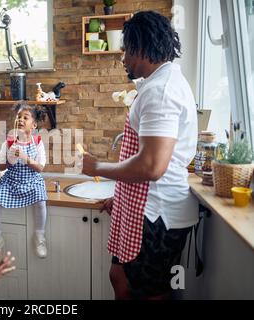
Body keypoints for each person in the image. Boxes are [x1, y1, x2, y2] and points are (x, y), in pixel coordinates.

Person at [82, 11, 198, 300]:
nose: (123, 59)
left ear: (142, 48)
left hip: (158, 215)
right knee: (119, 276)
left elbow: (151, 166)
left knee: (150, 293)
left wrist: (97, 166)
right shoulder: (159, 83)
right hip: (147, 207)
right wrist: (120, 199)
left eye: (126, 50)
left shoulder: (161, 91)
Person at [0, 102, 48, 259]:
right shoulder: (8, 143)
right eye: (18, 116)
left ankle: (39, 237)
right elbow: (0, 167)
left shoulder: (38, 142)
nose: (20, 120)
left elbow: (40, 168)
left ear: (33, 125)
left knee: (41, 202)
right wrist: (9, 159)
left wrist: (25, 158)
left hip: (32, 180)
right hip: (12, 180)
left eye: (25, 117)